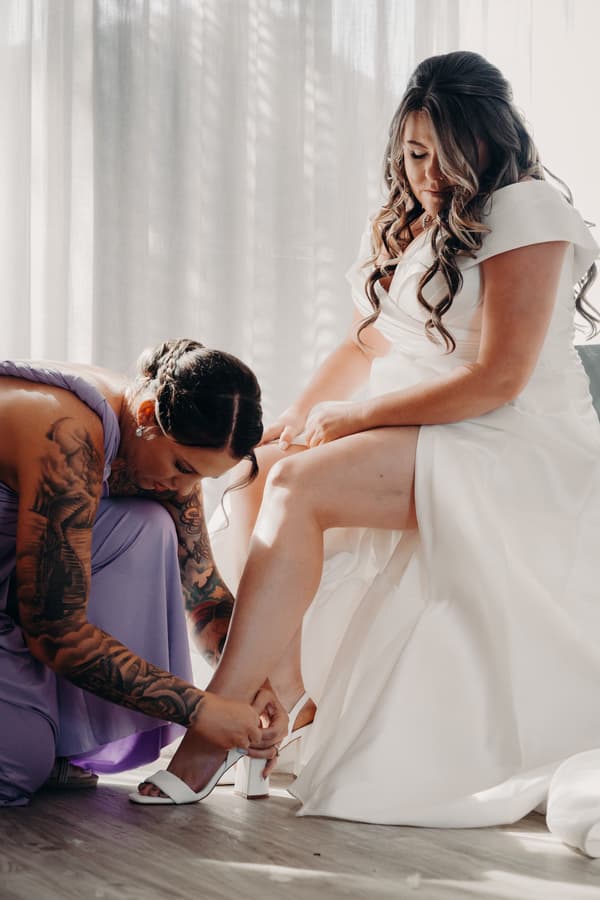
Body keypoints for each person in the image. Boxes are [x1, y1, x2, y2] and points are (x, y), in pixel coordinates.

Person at [134, 51, 600, 852]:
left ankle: (214, 731)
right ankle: (276, 706)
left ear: (487, 142)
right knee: (256, 478)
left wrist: (348, 424)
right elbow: (366, 344)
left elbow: (498, 380)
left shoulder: (525, 208)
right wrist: (291, 424)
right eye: (413, 155)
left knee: (301, 490)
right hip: (430, 424)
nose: (425, 174)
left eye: (443, 157)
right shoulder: (416, 222)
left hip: (511, 442)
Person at [0, 338, 287, 807]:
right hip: (35, 608)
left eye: (201, 479)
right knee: (15, 771)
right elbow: (56, 631)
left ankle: (45, 728)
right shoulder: (68, 436)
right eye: (182, 468)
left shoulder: (154, 437)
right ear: (150, 413)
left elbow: (203, 589)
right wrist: (200, 710)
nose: (184, 489)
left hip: (15, 574)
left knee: (152, 524)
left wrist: (255, 683)